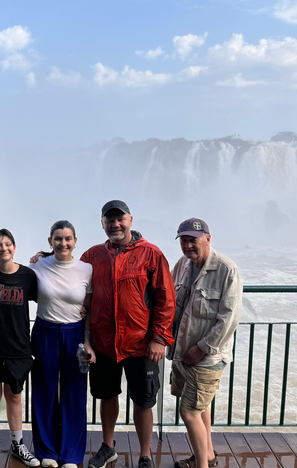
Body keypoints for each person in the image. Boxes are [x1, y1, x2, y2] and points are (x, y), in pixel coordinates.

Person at [82, 200, 175, 468]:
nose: (115, 225)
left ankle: (144, 455)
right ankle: (107, 446)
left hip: (141, 344)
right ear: (102, 224)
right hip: (104, 344)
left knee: (143, 401)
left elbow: (166, 299)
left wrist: (159, 338)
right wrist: (44, 257)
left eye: (120, 219)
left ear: (131, 220)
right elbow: (69, 274)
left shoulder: (151, 254)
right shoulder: (92, 256)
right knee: (107, 396)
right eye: (109, 220)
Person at [168, 218, 242, 468]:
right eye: (184, 240)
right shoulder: (182, 265)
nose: (188, 245)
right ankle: (207, 456)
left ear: (208, 239)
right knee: (199, 408)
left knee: (188, 412)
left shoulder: (226, 269)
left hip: (207, 356)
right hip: (182, 351)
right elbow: (167, 300)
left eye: (193, 240)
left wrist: (202, 348)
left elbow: (229, 318)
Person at [29, 221, 94, 468]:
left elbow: (89, 309)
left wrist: (88, 341)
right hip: (45, 331)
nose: (63, 243)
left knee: (74, 394)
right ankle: (47, 451)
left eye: (68, 239)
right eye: (58, 239)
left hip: (75, 334)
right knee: (44, 391)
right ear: (49, 242)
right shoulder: (37, 265)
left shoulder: (87, 269)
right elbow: (13, 274)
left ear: (75, 241)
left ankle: (71, 455)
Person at [0, 229, 40, 468]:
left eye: (7, 244)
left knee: (14, 396)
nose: (3, 248)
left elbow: (46, 298)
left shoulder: (27, 276)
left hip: (18, 346)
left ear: (15, 247)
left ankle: (18, 445)